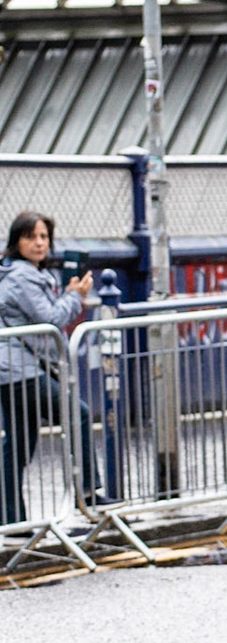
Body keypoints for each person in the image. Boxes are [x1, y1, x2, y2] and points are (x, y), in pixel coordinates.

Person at [1, 212, 96, 525]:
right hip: (21, 371)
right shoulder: (21, 277)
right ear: (16, 242)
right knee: (78, 414)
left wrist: (68, 296)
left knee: (18, 444)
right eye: (30, 237)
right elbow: (51, 319)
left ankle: (11, 519)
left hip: (13, 370)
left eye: (44, 237)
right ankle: (90, 492)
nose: (39, 243)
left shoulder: (22, 274)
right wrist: (75, 297)